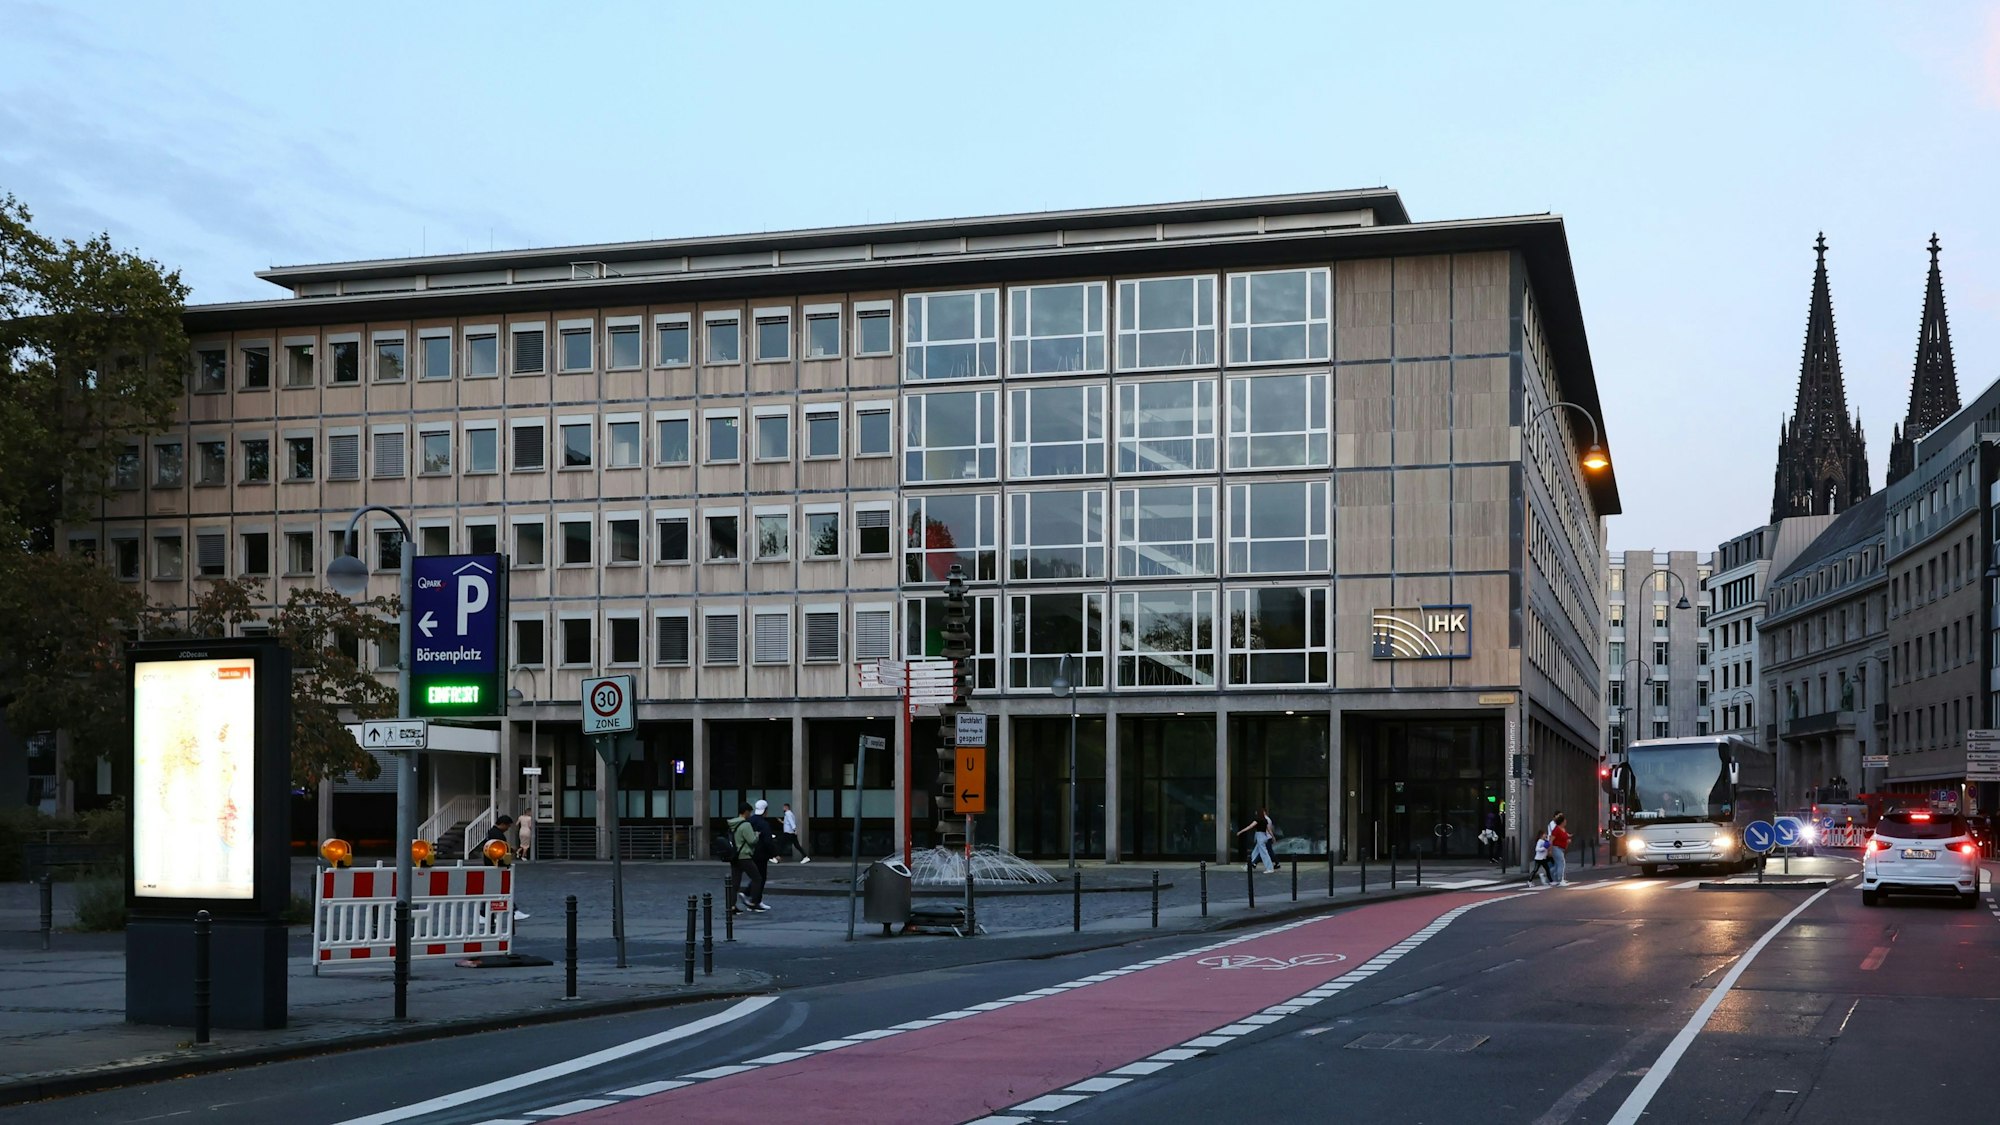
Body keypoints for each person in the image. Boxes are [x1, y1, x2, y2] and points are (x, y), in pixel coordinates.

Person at [729, 802, 768, 912]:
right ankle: (753, 902)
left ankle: (731, 906)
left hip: (735, 856)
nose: (750, 815)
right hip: (744, 856)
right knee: (757, 878)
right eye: (749, 812)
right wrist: (756, 835)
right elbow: (752, 841)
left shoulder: (733, 823)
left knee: (735, 883)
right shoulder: (745, 825)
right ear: (746, 812)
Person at [1235, 807, 1276, 874]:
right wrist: (1273, 837)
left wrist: (1241, 831)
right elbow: (1269, 830)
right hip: (1264, 836)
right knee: (1255, 853)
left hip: (1260, 837)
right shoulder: (1265, 820)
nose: (1256, 813)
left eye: (1257, 812)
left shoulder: (1257, 820)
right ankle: (1248, 866)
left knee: (1264, 853)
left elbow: (1250, 826)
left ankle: (1270, 868)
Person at [1547, 812, 1572, 886]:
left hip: (1561, 849)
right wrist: (1550, 850)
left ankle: (1549, 875)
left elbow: (1564, 837)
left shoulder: (1563, 829)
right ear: (1562, 822)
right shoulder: (1556, 830)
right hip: (1556, 848)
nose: (1566, 821)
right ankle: (1560, 880)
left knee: (1557, 865)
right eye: (1564, 820)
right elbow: (1551, 840)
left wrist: (1567, 840)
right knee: (1561, 863)